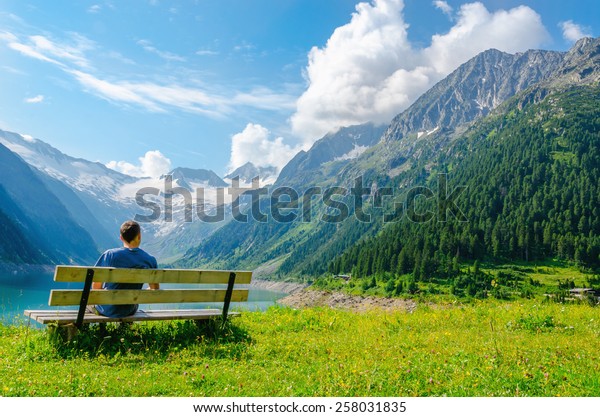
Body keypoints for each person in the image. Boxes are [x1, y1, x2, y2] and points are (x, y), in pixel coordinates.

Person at [89, 220, 159, 318]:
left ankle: (93, 330)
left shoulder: (110, 255)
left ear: (121, 238)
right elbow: (154, 289)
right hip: (129, 310)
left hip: (107, 309)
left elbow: (96, 287)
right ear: (139, 236)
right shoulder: (150, 260)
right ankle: (126, 327)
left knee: (87, 302)